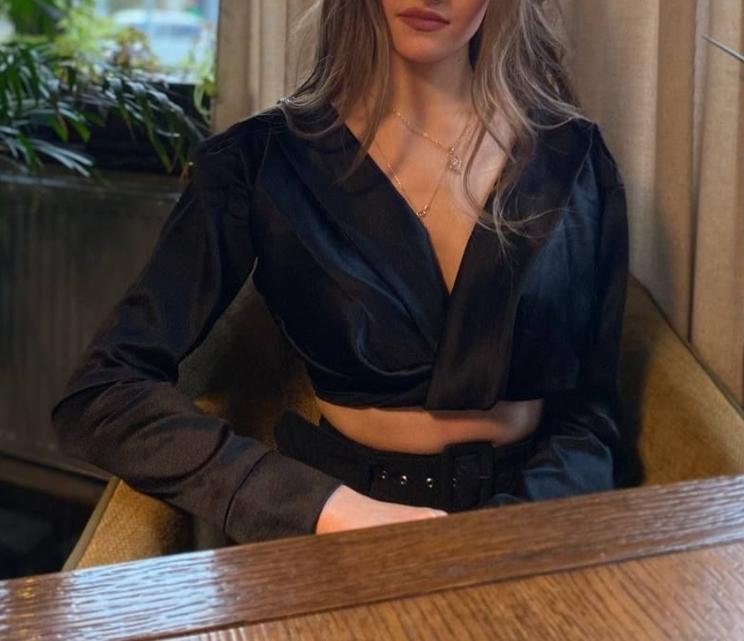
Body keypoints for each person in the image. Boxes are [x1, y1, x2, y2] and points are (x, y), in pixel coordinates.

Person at [50, 0, 630, 544]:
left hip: (536, 529)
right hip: (338, 531)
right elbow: (102, 393)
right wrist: (321, 508)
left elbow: (591, 412)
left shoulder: (574, 161)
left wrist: (518, 531)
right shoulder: (260, 162)